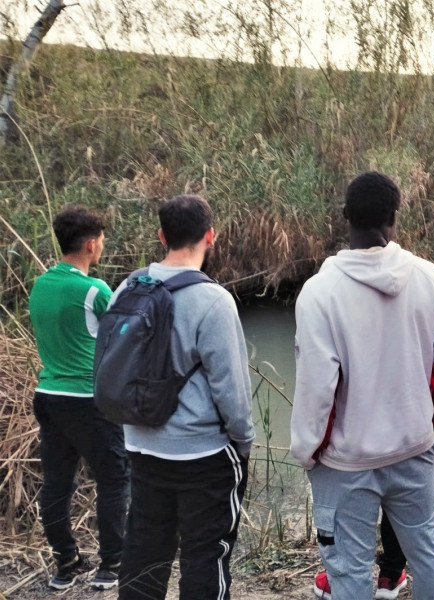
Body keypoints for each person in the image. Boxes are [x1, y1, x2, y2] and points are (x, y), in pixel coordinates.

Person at [291, 171, 434, 600]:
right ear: (394, 217)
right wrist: (429, 434)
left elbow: (317, 389)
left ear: (345, 216)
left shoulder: (318, 293)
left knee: (348, 573)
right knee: (427, 558)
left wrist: (308, 451)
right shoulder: (429, 278)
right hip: (413, 449)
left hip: (345, 463)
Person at [115, 195, 256, 600]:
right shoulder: (213, 300)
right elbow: (232, 390)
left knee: (144, 548)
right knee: (205, 553)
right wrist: (242, 443)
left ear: (162, 236)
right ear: (210, 236)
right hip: (203, 454)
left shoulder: (128, 286)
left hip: (141, 445)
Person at [28, 205, 129, 590]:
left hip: (48, 396)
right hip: (87, 399)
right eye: (101, 240)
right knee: (114, 477)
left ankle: (65, 564)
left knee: (56, 482)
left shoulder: (41, 284)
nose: (102, 246)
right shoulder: (94, 289)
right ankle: (112, 565)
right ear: (91, 244)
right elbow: (123, 335)